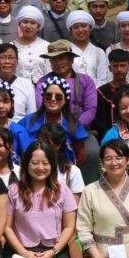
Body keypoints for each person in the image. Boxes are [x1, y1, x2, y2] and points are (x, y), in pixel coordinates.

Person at [4, 142, 77, 258]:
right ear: (26, 164)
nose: (40, 167)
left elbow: (69, 227)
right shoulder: (14, 190)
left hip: (54, 250)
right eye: (35, 163)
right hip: (21, 250)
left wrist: (52, 252)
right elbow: (7, 227)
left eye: (45, 163)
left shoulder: (63, 190)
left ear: (52, 165)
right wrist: (24, 253)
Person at [36, 40, 98, 177]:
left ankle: (88, 187)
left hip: (81, 130)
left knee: (93, 153)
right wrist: (58, 130)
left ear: (71, 60)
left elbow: (91, 109)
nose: (57, 62)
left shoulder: (86, 80)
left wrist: (75, 130)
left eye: (61, 58)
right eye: (53, 59)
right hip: (51, 131)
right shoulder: (42, 82)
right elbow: (43, 107)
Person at [13, 78, 89, 167]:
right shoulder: (28, 122)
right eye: (48, 96)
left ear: (65, 100)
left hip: (63, 169)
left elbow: (80, 157)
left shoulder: (73, 124)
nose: (53, 99)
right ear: (43, 98)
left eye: (58, 97)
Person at [93, 48, 129, 141]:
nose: (119, 69)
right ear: (109, 68)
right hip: (107, 138)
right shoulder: (101, 92)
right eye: (115, 66)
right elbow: (99, 122)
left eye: (123, 65)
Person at [66, 9, 111, 86]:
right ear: (71, 30)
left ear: (90, 28)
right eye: (76, 27)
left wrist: (92, 92)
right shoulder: (66, 51)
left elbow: (102, 79)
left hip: (95, 92)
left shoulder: (99, 52)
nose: (80, 30)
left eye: (84, 26)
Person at [12, 5, 50, 85]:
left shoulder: (47, 46)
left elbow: (50, 72)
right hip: (18, 89)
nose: (28, 26)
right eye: (25, 22)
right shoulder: (12, 46)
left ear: (38, 26)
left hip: (42, 89)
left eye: (33, 23)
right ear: (19, 24)